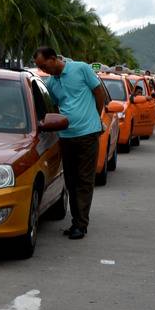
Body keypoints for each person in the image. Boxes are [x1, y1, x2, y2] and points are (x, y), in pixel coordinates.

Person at [33, 46, 105, 241]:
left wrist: (96, 119)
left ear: (53, 58)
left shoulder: (81, 68)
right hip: (66, 137)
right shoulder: (51, 83)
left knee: (84, 180)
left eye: (44, 65)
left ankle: (80, 224)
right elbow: (54, 108)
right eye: (40, 67)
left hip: (87, 134)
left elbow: (99, 93)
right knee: (71, 181)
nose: (43, 70)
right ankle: (76, 221)